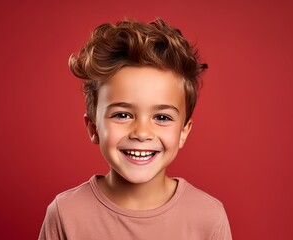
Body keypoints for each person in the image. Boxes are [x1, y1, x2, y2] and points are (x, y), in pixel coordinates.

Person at [39, 18, 232, 240]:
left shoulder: (208, 217)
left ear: (183, 132)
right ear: (93, 128)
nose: (141, 133)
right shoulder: (66, 213)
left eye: (161, 117)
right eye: (122, 115)